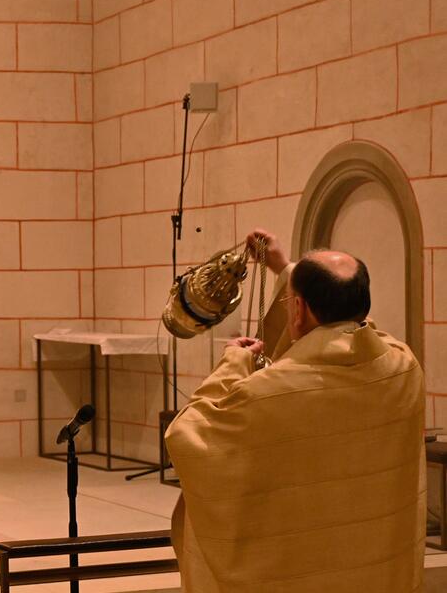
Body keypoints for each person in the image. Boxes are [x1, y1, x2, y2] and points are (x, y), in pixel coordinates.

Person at [166, 229, 426, 592]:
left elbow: (186, 436)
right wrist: (287, 270)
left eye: (292, 301)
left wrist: (233, 365)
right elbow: (339, 325)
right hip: (373, 570)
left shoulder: (267, 393)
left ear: (299, 308)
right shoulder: (403, 367)